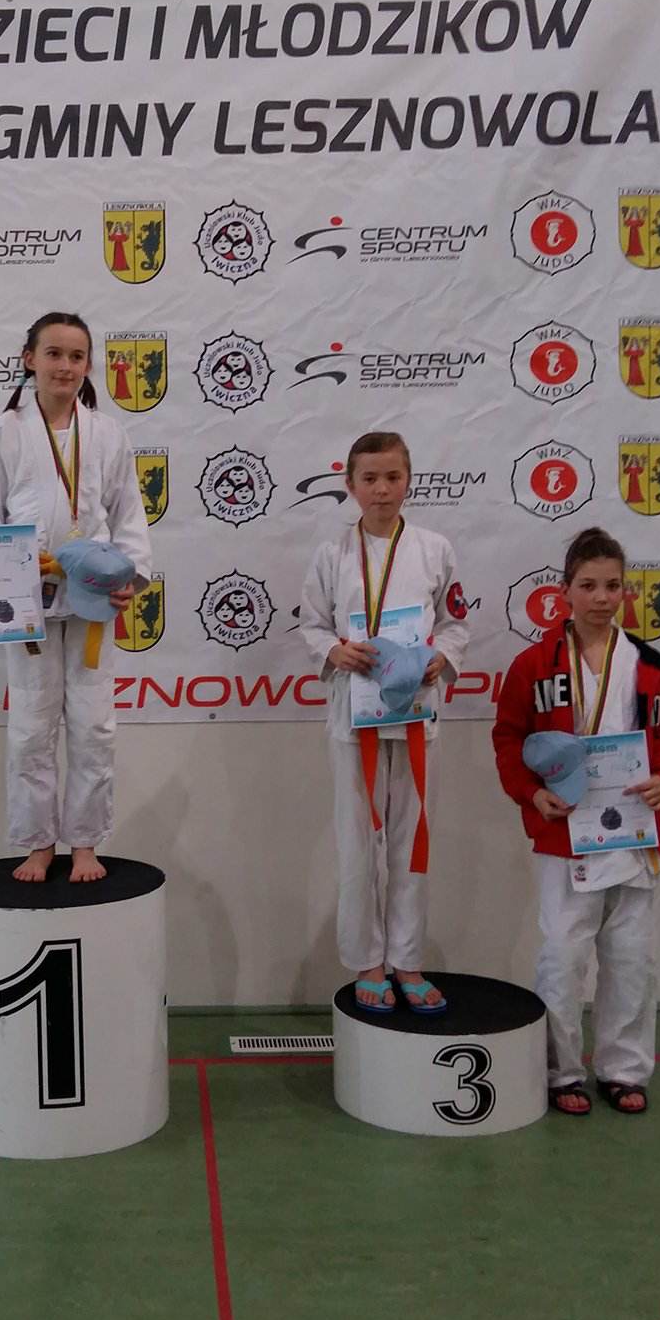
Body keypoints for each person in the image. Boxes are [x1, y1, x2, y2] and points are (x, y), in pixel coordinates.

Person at [491, 527, 660, 1115]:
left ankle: (624, 1070)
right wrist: (531, 794)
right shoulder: (534, 665)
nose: (602, 597)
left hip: (634, 830)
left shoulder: (650, 666)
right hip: (567, 831)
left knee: (632, 958)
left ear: (626, 591)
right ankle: (560, 1072)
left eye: (612, 585)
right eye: (589, 585)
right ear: (565, 591)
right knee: (563, 956)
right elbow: (508, 739)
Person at [0, 313, 153, 884]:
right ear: (29, 359)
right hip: (23, 596)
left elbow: (129, 516)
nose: (65, 366)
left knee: (94, 727)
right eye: (54, 354)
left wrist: (131, 576)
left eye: (76, 356)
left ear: (88, 366)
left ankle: (85, 842)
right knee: (29, 728)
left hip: (92, 596)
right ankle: (39, 843)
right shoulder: (4, 431)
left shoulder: (108, 434)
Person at [299, 431, 470, 1013]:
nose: (381, 489)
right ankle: (367, 961)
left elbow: (455, 623)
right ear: (349, 485)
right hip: (356, 717)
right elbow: (312, 624)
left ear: (408, 481)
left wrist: (443, 657)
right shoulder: (332, 555)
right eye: (369, 478)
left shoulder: (434, 549)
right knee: (357, 845)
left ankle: (408, 961)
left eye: (392, 477)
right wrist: (334, 651)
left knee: (412, 842)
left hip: (417, 715)